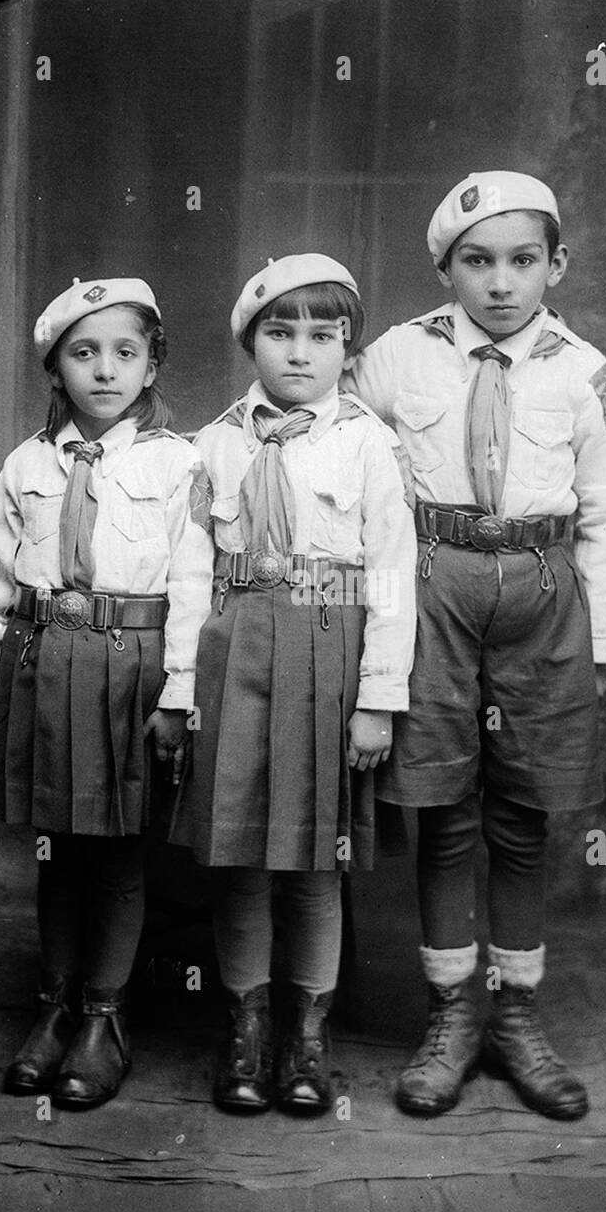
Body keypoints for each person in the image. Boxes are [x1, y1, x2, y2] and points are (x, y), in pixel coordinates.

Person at [344, 172, 606, 1120]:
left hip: (544, 596)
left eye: (522, 261)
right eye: (477, 262)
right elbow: (333, 441)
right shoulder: (398, 357)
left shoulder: (584, 370)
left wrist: (602, 637)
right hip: (431, 587)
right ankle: (451, 1016)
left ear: (557, 264)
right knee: (445, 809)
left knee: (520, 813)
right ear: (445, 269)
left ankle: (516, 1017)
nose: (501, 283)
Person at [170, 254, 417, 1116]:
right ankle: (245, 1031)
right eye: (280, 333)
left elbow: (389, 575)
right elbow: (190, 572)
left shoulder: (369, 444)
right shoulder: (214, 442)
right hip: (235, 653)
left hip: (328, 651)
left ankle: (308, 1040)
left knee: (319, 862)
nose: (301, 352)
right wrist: (181, 687)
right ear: (249, 342)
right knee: (239, 857)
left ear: (348, 344)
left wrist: (379, 697)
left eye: (323, 334)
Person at [0, 277, 214, 1109]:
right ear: (55, 367)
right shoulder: (27, 465)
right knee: (57, 848)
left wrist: (176, 692)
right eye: (83, 353)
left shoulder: (179, 464)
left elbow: (193, 584)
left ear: (151, 366)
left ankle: (105, 1020)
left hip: (129, 667)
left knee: (114, 851)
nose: (104, 370)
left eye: (124, 353)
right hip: (43, 663)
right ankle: (54, 1010)